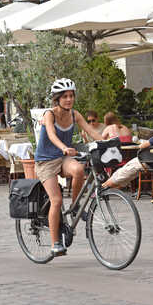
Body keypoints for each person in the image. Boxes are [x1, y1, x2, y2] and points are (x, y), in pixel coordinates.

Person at [34, 78, 103, 256]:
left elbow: (91, 131)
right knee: (56, 201)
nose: (69, 99)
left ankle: (74, 207)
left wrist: (107, 142)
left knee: (79, 170)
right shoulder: (49, 114)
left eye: (71, 96)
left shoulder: (74, 114)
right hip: (45, 162)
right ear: (57, 98)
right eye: (64, 96)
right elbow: (50, 134)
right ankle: (55, 242)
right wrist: (64, 147)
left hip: (62, 158)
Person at [103, 113, 153, 189]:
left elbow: (143, 145)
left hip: (148, 162)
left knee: (120, 174)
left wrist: (142, 143)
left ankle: (103, 188)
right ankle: (108, 188)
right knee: (125, 176)